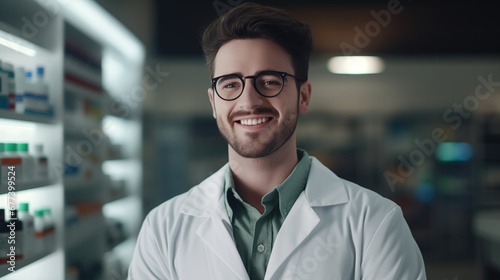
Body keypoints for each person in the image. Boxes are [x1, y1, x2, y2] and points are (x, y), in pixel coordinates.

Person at [129, 3, 426, 280]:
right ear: (213, 102)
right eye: (230, 84)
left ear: (304, 96)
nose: (249, 100)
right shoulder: (163, 228)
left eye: (270, 81)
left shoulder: (374, 221)